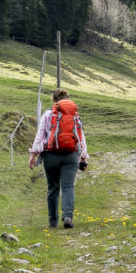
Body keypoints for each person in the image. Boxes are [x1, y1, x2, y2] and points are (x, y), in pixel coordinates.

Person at [29, 88, 88, 229]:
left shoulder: (48, 114)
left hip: (51, 155)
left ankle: (53, 222)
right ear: (67, 99)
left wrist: (33, 154)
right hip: (71, 155)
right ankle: (67, 216)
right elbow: (81, 137)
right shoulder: (74, 115)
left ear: (54, 100)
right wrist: (83, 157)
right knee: (68, 187)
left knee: (53, 188)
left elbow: (40, 135)